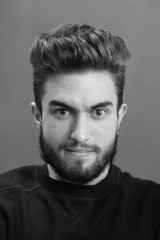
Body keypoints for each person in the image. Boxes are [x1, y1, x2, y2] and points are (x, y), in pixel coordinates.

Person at [0, 23, 160, 240]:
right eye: (63, 111)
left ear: (119, 117)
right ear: (38, 115)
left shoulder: (153, 209)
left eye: (99, 112)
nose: (80, 134)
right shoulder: (5, 205)